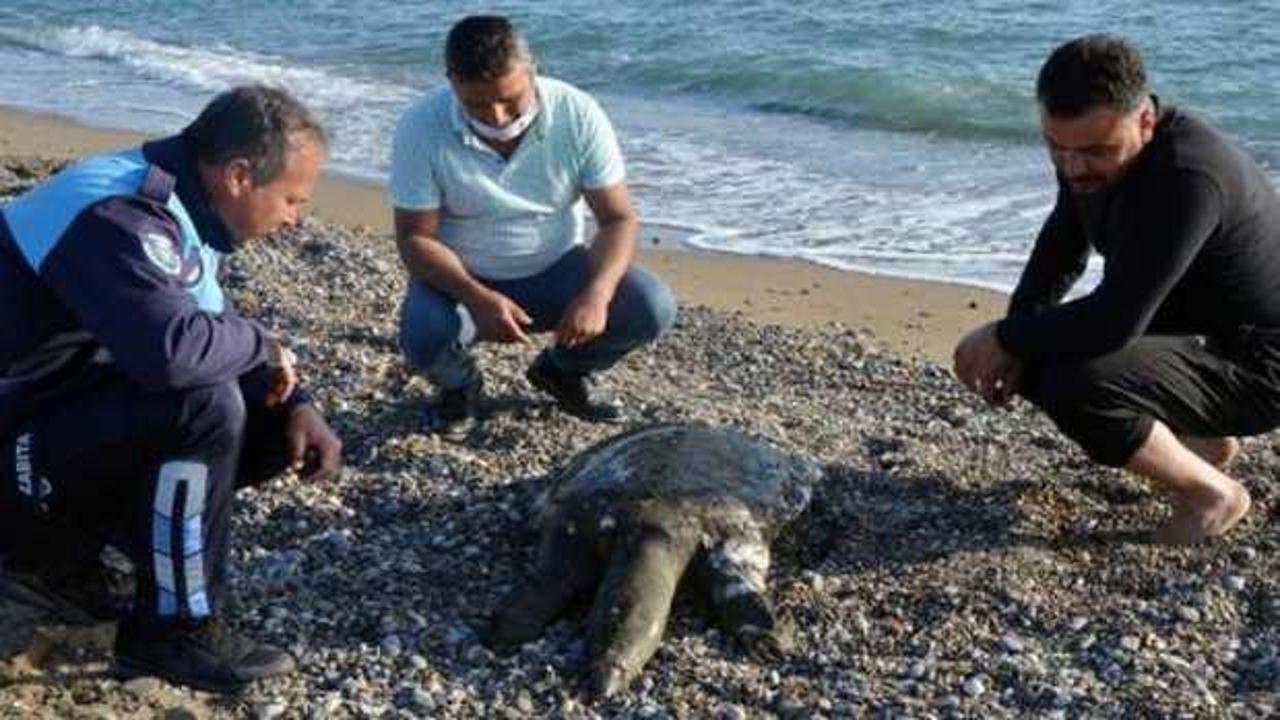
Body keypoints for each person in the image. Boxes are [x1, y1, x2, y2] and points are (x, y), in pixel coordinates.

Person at [0, 85, 343, 692]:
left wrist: (297, 404)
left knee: (262, 418)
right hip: (14, 446)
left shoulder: (178, 205)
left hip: (46, 414)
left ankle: (67, 555)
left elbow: (207, 329)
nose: (297, 220)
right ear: (240, 176)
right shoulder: (115, 213)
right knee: (201, 402)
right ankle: (173, 630)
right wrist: (263, 342)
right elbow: (171, 354)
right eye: (292, 199)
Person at [954, 34, 1280, 545]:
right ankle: (1206, 443)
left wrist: (1005, 336)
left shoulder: (1188, 178)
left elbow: (1114, 322)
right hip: (1199, 327)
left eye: (1094, 151)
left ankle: (1213, 496)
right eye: (1056, 148)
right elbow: (1063, 241)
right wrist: (1017, 332)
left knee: (1071, 378)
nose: (1074, 167)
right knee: (1038, 357)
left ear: (1146, 120)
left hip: (1262, 361)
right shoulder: (1081, 151)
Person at [390, 15, 677, 437]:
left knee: (651, 307)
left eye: (511, 99)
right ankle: (460, 388)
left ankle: (562, 372)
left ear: (533, 70)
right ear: (451, 81)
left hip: (557, 267)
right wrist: (476, 296)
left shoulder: (577, 113)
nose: (498, 115)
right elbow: (415, 238)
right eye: (478, 105)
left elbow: (617, 218)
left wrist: (596, 294)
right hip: (463, 277)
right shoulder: (420, 126)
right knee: (424, 339)